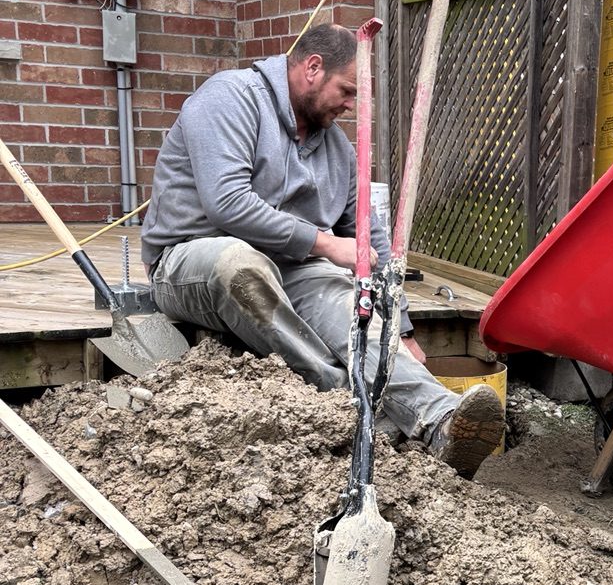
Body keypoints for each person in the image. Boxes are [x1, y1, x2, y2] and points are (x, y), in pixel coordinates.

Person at [141, 24, 505, 477]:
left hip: (290, 265)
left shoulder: (337, 148)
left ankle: (441, 421)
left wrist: (403, 328)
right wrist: (325, 243)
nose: (351, 105)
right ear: (313, 68)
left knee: (346, 302)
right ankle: (352, 411)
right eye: (347, 90)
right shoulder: (230, 98)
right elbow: (227, 203)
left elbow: (369, 240)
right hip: (189, 261)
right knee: (240, 263)